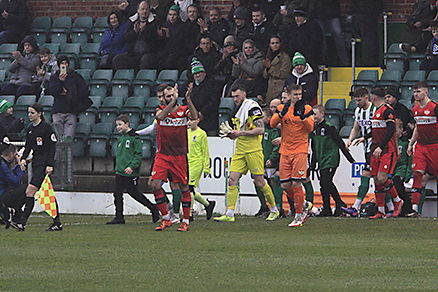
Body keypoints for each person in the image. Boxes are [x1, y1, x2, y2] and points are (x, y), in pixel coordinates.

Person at [214, 84, 279, 222]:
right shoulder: (238, 109)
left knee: (260, 182)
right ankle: (230, 213)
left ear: (244, 93)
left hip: (253, 150)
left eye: (237, 96)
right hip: (240, 150)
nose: (235, 99)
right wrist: (232, 134)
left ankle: (274, 209)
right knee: (232, 179)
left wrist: (240, 133)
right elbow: (239, 130)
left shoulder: (252, 107)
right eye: (233, 97)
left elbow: (261, 130)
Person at [149, 84, 199, 232]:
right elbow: (160, 117)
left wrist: (188, 99)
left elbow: (195, 117)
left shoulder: (183, 110)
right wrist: (172, 102)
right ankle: (166, 219)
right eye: (168, 96)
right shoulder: (159, 109)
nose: (171, 98)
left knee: (184, 187)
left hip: (179, 156)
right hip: (163, 155)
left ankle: (185, 221)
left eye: (172, 95)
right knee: (155, 185)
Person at [270, 84, 314, 227]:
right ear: (288, 95)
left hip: (300, 150)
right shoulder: (282, 109)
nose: (298, 97)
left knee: (296, 182)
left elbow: (310, 128)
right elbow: (272, 123)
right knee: (285, 185)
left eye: (300, 94)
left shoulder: (306, 109)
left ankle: (299, 214)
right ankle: (305, 203)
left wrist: (302, 117)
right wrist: (280, 115)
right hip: (285, 151)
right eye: (295, 94)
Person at [106, 115, 160, 225]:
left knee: (134, 193)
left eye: (120, 124)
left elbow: (138, 155)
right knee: (117, 193)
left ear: (127, 124)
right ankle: (119, 217)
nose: (118, 127)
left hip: (130, 172)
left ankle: (153, 208)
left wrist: (131, 166)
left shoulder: (135, 138)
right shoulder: (121, 138)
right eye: (117, 125)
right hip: (120, 171)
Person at [18, 104, 62, 231]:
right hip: (36, 163)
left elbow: (52, 148)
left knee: (30, 191)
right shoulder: (30, 129)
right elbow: (28, 146)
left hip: (43, 165)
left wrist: (50, 164)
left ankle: (22, 222)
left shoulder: (47, 128)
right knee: (47, 193)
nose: (29, 115)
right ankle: (57, 222)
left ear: (39, 113)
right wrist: (23, 159)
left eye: (32, 113)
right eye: (28, 112)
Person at [310, 105, 355, 216]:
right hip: (322, 160)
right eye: (312, 114)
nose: (313, 116)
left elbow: (340, 142)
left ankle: (340, 204)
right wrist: (312, 165)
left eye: (315, 114)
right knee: (324, 184)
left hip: (331, 158)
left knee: (326, 181)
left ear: (322, 114)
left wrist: (350, 159)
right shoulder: (313, 129)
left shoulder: (329, 127)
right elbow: (314, 148)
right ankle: (328, 208)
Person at [368, 87, 404, 219]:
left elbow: (390, 130)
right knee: (377, 180)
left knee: (383, 178)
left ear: (373, 97)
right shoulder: (375, 111)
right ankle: (381, 210)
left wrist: (381, 147)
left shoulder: (387, 110)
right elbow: (376, 129)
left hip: (386, 149)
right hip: (375, 148)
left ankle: (397, 201)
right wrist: (364, 137)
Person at [342, 88, 375, 216]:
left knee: (369, 175)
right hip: (366, 148)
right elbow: (356, 128)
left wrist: (364, 138)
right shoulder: (358, 111)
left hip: (376, 147)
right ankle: (391, 205)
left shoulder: (374, 110)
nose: (357, 103)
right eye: (356, 100)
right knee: (377, 178)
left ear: (366, 97)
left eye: (359, 100)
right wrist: (350, 140)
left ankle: (356, 206)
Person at [407, 82, 438, 217]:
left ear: (426, 92)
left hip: (435, 145)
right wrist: (411, 144)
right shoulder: (415, 109)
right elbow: (417, 128)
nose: (416, 94)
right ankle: (415, 209)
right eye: (414, 92)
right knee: (417, 174)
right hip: (421, 146)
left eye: (418, 91)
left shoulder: (435, 107)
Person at [384, 87, 416, 216]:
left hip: (401, 169)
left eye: (390, 97)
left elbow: (409, 160)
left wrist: (408, 174)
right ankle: (390, 208)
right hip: (392, 167)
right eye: (385, 97)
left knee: (396, 182)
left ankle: (406, 206)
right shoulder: (384, 111)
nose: (387, 99)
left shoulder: (402, 111)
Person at [49, 56, 90, 141]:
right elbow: (53, 91)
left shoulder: (75, 76)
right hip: (58, 109)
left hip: (71, 109)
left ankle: (67, 154)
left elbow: (83, 91)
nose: (64, 65)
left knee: (68, 139)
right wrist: (60, 82)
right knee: (59, 139)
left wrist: (70, 92)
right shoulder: (54, 77)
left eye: (66, 63)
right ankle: (60, 154)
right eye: (62, 63)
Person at [112, 1, 161, 69]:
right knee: (117, 59)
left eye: (146, 9)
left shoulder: (155, 21)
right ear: (138, 10)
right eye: (142, 9)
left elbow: (155, 40)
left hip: (149, 53)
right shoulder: (132, 21)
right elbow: (125, 38)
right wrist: (135, 32)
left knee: (146, 60)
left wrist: (144, 31)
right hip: (133, 54)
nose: (144, 11)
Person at [187, 117, 216, 220]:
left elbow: (205, 151)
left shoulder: (201, 134)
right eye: (188, 119)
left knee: (189, 187)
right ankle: (208, 205)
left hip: (196, 163)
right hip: (187, 163)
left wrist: (206, 167)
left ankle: (189, 214)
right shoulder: (186, 132)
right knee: (189, 189)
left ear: (198, 121)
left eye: (191, 120)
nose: (189, 122)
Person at [188, 58, 221, 134]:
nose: (198, 75)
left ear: (204, 73)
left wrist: (202, 113)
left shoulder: (212, 84)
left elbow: (214, 101)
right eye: (195, 73)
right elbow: (186, 101)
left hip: (209, 122)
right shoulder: (190, 86)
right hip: (194, 123)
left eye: (200, 72)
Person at [312, 0, 348, 66]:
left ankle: (344, 61)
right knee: (320, 38)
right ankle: (322, 61)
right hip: (318, 12)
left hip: (332, 12)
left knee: (338, 35)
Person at [0, 142, 26, 229]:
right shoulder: (2, 165)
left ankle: (13, 212)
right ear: (11, 154)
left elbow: (9, 174)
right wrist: (20, 167)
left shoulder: (4, 164)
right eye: (15, 154)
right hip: (2, 195)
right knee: (27, 189)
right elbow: (15, 181)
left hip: (3, 192)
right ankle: (15, 212)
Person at [351, 0, 382, 66]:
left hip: (364, 12)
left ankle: (368, 63)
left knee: (368, 41)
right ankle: (370, 63)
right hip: (368, 12)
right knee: (369, 40)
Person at [159, 5, 189, 71]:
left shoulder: (183, 26)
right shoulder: (165, 25)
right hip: (166, 51)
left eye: (174, 15)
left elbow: (180, 43)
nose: (172, 17)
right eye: (170, 14)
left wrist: (168, 36)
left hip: (178, 52)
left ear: (178, 16)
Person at [263, 35, 291, 104]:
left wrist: (270, 68)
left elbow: (284, 74)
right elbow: (264, 75)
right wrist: (267, 68)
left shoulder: (285, 57)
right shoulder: (268, 56)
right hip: (270, 88)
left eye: (277, 43)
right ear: (269, 45)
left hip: (280, 88)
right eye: (273, 43)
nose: (275, 45)